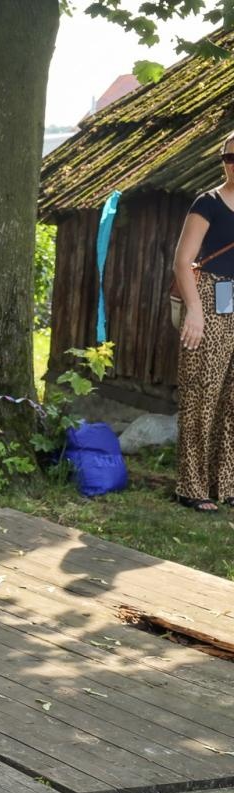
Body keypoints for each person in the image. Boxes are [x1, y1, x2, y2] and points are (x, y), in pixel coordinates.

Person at [171, 133, 234, 513]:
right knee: (201, 393)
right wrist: (195, 310)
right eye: (230, 156)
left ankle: (225, 483)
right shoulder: (207, 203)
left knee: (231, 398)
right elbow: (183, 261)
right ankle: (191, 486)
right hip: (209, 299)